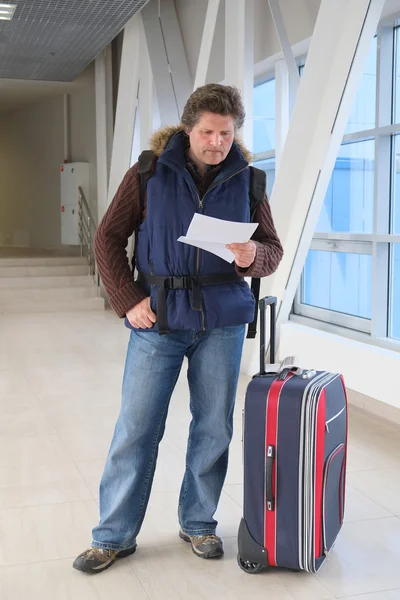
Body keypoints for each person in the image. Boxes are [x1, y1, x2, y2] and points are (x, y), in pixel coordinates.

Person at [73, 83, 283, 575]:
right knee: (137, 428)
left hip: (224, 323)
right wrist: (127, 300)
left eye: (225, 134)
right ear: (188, 128)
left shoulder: (250, 182)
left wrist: (255, 257)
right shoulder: (148, 173)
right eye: (207, 132)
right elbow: (107, 236)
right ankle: (113, 536)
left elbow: (271, 249)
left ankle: (199, 522)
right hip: (159, 320)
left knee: (214, 427)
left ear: (236, 133)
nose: (216, 142)